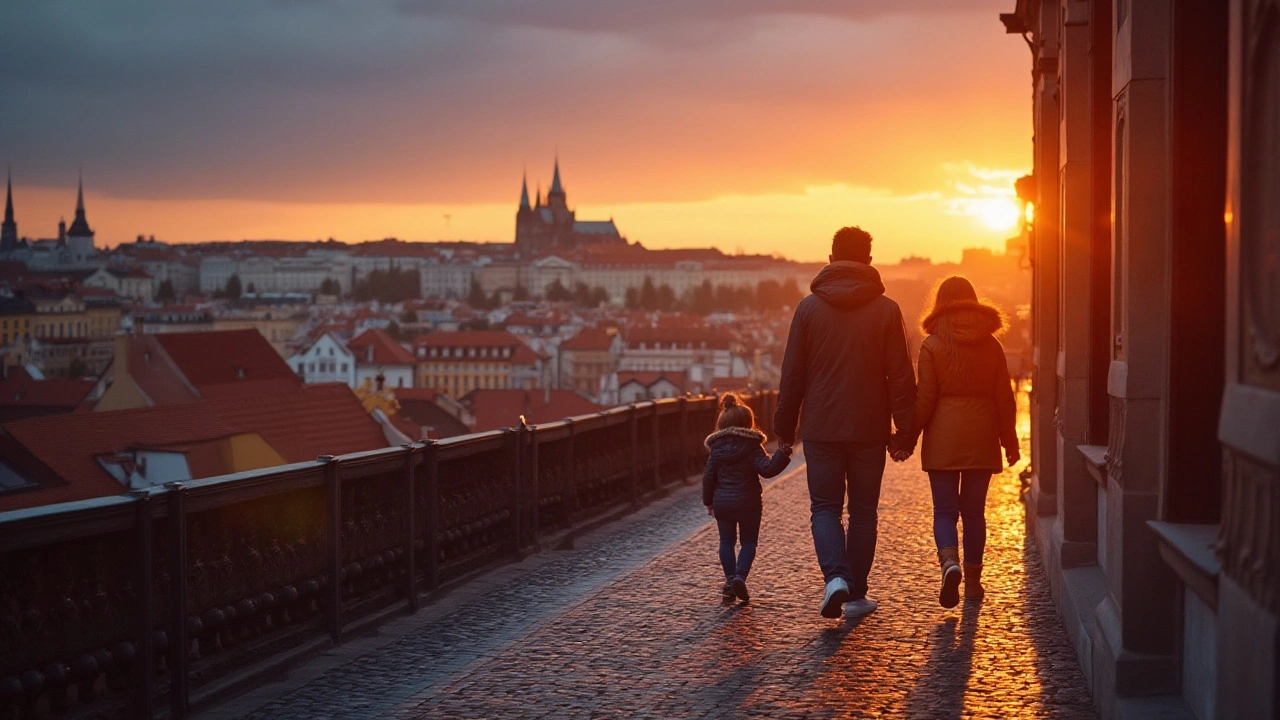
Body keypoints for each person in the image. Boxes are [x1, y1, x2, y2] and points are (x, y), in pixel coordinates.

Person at [775, 226, 916, 619]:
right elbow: (900, 376)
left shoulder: (808, 309)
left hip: (821, 427)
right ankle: (855, 593)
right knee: (864, 511)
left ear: (831, 257)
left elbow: (793, 375)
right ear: (869, 260)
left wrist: (784, 430)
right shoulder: (887, 310)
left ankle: (834, 578)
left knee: (824, 508)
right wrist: (905, 432)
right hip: (870, 429)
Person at [913, 276, 1019, 608]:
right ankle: (973, 584)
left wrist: (905, 436)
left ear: (940, 304)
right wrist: (1010, 441)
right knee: (974, 513)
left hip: (944, 437)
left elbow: (925, 399)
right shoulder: (992, 345)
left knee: (944, 510)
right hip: (982, 435)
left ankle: (949, 564)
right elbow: (1004, 398)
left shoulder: (931, 345)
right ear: (972, 301)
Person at [703, 393, 793, 603]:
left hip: (723, 501)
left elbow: (709, 478)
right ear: (748, 422)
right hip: (749, 501)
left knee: (726, 541)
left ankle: (729, 580)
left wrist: (708, 501)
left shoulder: (716, 448)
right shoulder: (752, 446)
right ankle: (740, 577)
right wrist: (783, 454)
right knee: (748, 542)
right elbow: (767, 470)